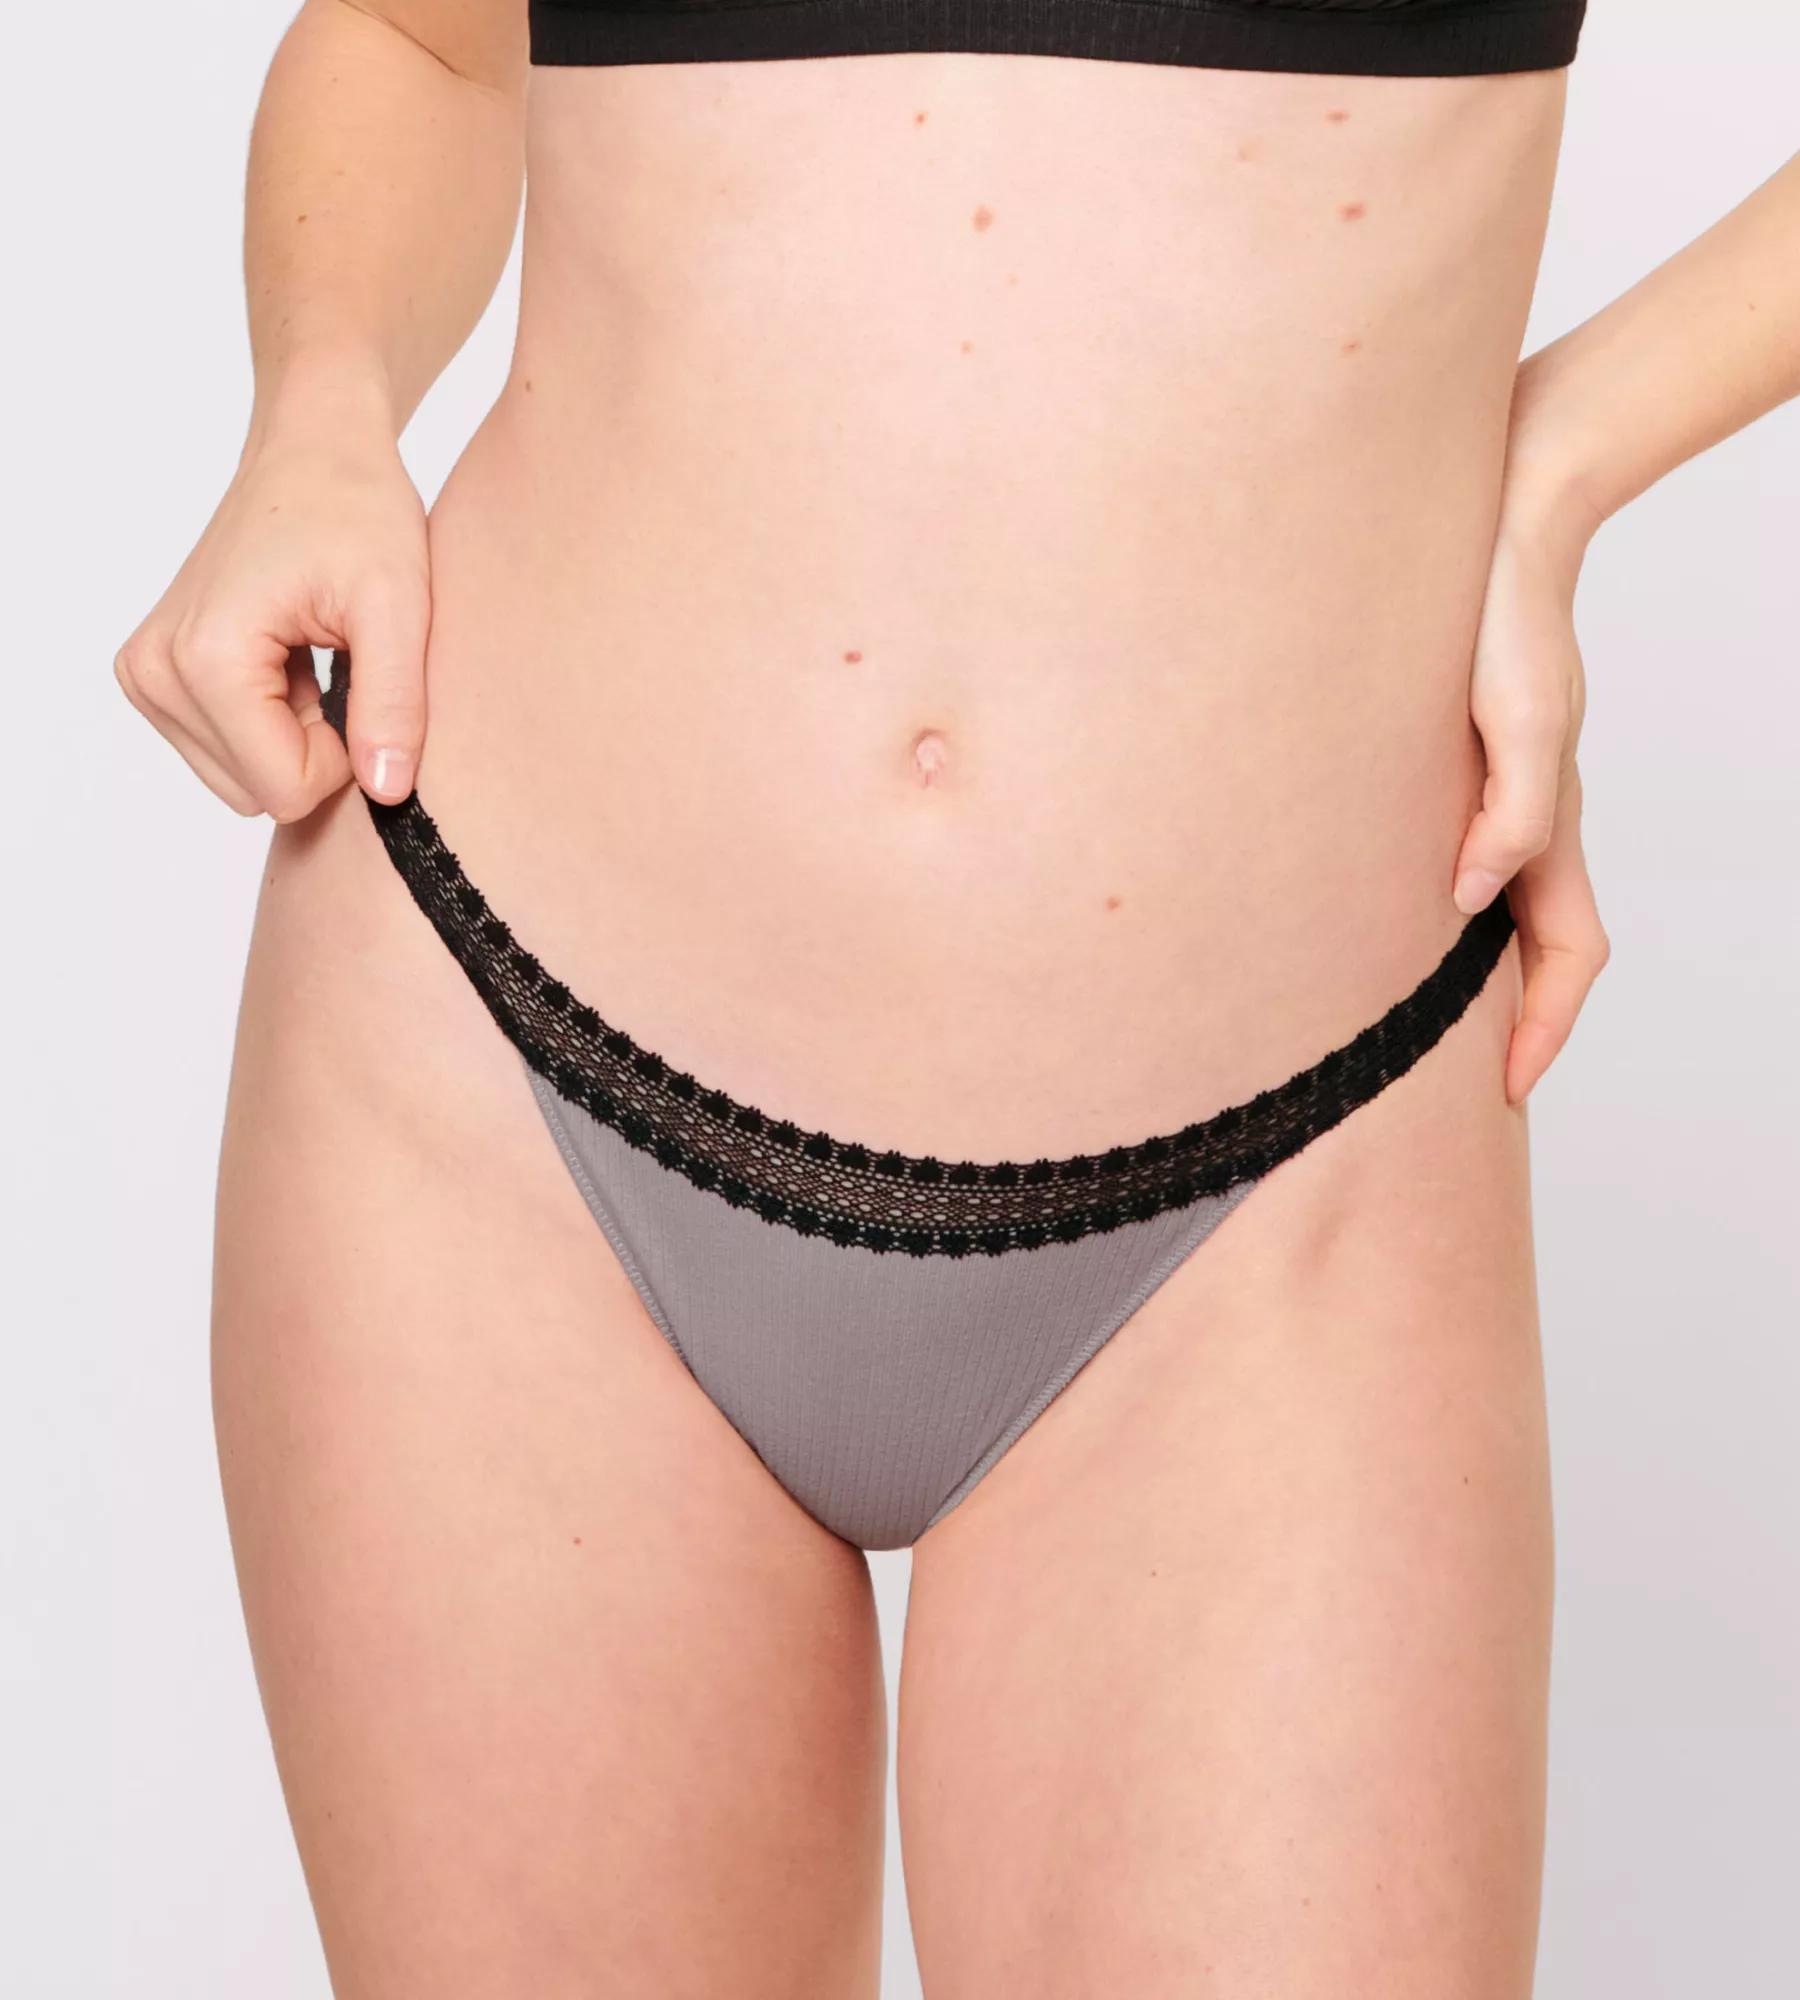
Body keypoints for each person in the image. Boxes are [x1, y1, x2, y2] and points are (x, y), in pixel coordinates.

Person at [114, 1, 1798, 1990]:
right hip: (504, 1061)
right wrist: (319, 404)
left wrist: (1565, 458)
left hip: (1288, 1162)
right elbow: (426, 40)